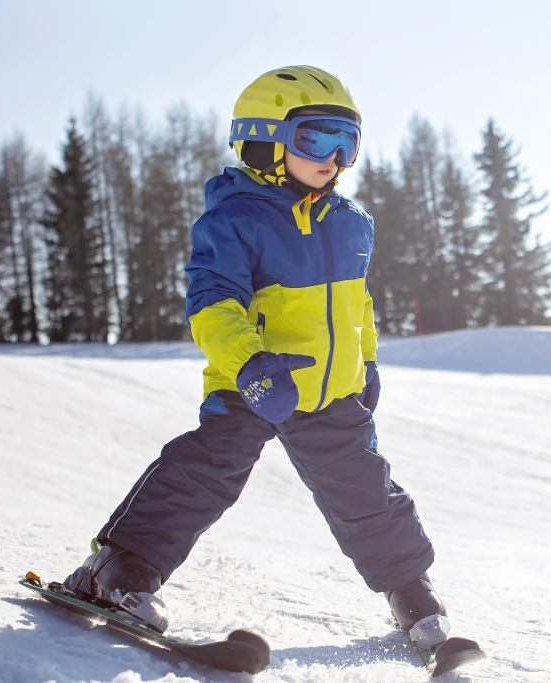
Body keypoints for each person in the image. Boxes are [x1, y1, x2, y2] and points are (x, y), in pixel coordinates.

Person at [58, 66, 451, 650]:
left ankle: (410, 590)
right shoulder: (236, 218)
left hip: (330, 392)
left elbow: (358, 307)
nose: (334, 158)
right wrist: (248, 363)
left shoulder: (351, 224)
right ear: (265, 138)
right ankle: (121, 570)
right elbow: (212, 303)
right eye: (316, 138)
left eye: (349, 142)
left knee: (364, 488)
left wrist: (365, 365)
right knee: (205, 471)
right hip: (254, 384)